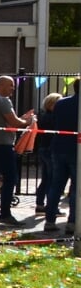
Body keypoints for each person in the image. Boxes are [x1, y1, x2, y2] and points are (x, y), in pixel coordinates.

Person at [0, 74, 35, 226]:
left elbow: (5, 121)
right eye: (11, 86)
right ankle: (5, 214)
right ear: (1, 85)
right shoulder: (2, 100)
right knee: (10, 178)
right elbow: (14, 122)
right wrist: (28, 121)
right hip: (1, 144)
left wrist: (20, 120)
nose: (13, 89)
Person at [46, 79, 79, 234]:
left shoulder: (61, 103)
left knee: (56, 185)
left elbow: (54, 122)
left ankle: (49, 220)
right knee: (76, 188)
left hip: (58, 147)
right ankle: (72, 222)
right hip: (76, 149)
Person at [33, 92, 62, 216]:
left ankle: (40, 204)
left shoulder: (43, 116)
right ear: (52, 104)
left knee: (45, 178)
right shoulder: (53, 117)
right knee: (52, 180)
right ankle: (52, 207)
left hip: (42, 149)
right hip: (50, 150)